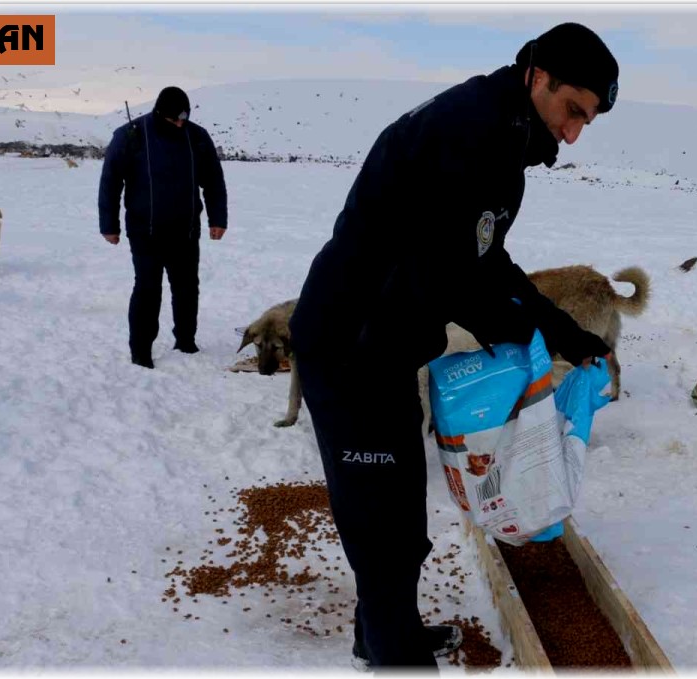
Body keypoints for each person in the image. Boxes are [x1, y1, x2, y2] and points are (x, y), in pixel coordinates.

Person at [288, 22, 619, 668]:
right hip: (349, 341)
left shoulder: (503, 140)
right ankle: (392, 655)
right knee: (380, 522)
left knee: (401, 514)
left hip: (386, 343)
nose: (575, 132)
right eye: (573, 109)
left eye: (589, 121)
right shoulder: (469, 133)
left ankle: (386, 631)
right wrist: (514, 327)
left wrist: (555, 324)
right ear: (538, 76)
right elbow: (442, 270)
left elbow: (485, 257)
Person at [98, 86, 228, 369]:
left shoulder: (197, 137)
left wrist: (218, 219)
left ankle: (185, 340)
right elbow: (110, 182)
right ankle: (140, 349)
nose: (180, 123)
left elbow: (214, 180)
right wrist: (109, 224)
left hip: (185, 229)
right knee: (147, 288)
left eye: (184, 117)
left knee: (186, 287)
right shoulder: (131, 135)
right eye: (174, 119)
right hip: (145, 230)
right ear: (160, 113)